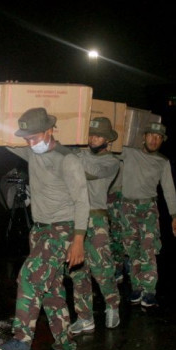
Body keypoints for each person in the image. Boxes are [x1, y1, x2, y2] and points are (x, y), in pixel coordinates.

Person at [0, 107, 88, 350]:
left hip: (62, 229)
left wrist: (79, 239)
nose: (30, 143)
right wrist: (3, 103)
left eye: (35, 137)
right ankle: (67, 349)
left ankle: (21, 342)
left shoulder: (67, 159)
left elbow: (83, 201)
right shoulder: (31, 151)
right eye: (27, 139)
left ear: (50, 131)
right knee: (51, 292)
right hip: (40, 231)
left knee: (29, 276)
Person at [68, 117, 121, 334]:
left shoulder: (112, 162)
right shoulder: (78, 154)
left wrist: (71, 152)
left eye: (98, 135)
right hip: (74, 218)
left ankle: (113, 305)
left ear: (107, 140)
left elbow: (89, 171)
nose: (93, 139)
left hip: (96, 219)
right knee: (78, 271)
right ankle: (84, 317)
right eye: (90, 134)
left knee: (103, 269)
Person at [119, 122, 176, 308]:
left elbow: (169, 189)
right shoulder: (128, 152)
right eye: (151, 135)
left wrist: (174, 216)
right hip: (127, 208)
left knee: (149, 250)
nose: (155, 140)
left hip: (148, 209)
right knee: (132, 250)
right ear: (144, 136)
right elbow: (108, 148)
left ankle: (150, 291)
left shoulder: (162, 161)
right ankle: (136, 287)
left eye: (159, 137)